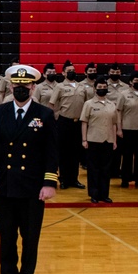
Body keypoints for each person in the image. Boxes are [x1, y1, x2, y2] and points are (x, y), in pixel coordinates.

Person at [0, 65, 58, 274]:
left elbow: (51, 152)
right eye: (17, 86)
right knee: (6, 237)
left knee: (30, 237)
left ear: (33, 87)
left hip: (32, 188)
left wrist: (49, 182)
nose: (21, 89)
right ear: (10, 86)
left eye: (26, 86)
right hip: (4, 186)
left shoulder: (44, 115)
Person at [49, 60, 92, 190]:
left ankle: (74, 179)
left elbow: (86, 104)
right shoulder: (60, 87)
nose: (72, 72)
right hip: (64, 122)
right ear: (63, 73)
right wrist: (56, 117)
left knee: (76, 152)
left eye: (73, 70)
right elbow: (52, 104)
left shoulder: (81, 87)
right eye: (69, 71)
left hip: (77, 123)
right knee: (63, 152)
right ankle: (63, 179)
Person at [81, 77, 121, 203]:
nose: (102, 90)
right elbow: (84, 122)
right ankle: (94, 193)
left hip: (108, 140)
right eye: (100, 87)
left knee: (106, 169)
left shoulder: (112, 105)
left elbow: (114, 124)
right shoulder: (88, 104)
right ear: (95, 89)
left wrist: (114, 140)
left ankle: (104, 194)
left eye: (104, 88)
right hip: (93, 140)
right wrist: (84, 139)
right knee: (93, 169)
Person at [117, 71, 138, 189]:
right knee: (127, 156)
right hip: (127, 129)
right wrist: (119, 129)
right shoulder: (123, 94)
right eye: (136, 80)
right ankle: (125, 179)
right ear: (131, 82)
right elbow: (118, 111)